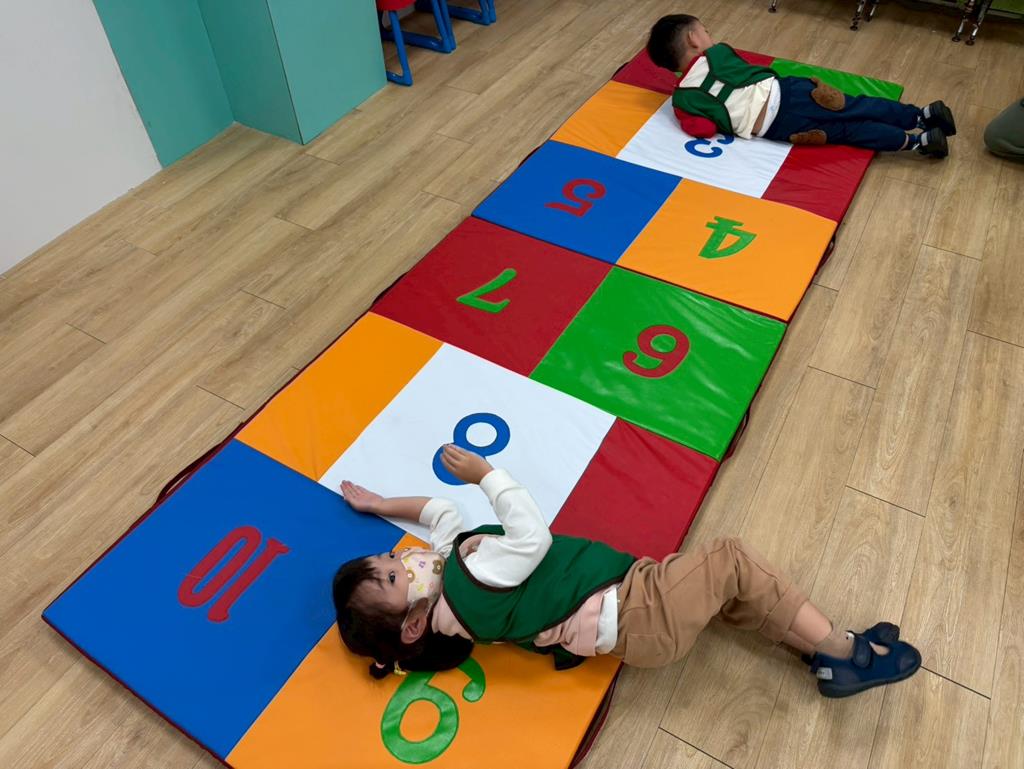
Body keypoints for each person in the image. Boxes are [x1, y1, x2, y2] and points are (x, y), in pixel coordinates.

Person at [333, 444, 921, 698]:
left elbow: (440, 514)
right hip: (640, 611)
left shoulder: (448, 588)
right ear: (414, 624)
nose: (404, 559)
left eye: (389, 556)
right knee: (734, 560)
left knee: (734, 591)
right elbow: (531, 537)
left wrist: (381, 503)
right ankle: (846, 653)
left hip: (634, 610)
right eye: (393, 575)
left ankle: (819, 655)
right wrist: (488, 475)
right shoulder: (473, 580)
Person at [646, 14, 955, 158]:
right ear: (694, 39)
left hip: (779, 128)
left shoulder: (682, 100)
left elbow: (703, 129)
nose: (709, 37)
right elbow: (746, 72)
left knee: (851, 132)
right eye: (706, 31)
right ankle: (921, 115)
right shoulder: (719, 53)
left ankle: (919, 142)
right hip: (792, 93)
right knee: (856, 105)